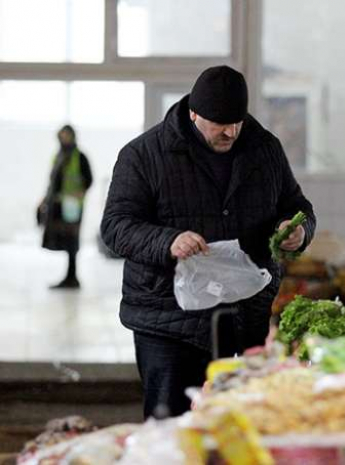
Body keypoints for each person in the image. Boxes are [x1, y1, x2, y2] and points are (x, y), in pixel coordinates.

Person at [100, 65, 316, 419]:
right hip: (169, 323)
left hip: (244, 319)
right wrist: (168, 241)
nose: (230, 132)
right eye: (219, 123)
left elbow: (296, 206)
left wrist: (299, 229)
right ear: (194, 113)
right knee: (171, 427)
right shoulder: (143, 155)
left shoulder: (264, 150)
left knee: (240, 429)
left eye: (237, 122)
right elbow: (115, 227)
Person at [38, 125, 93, 289]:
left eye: (66, 136)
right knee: (64, 240)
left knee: (72, 241)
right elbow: (53, 182)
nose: (64, 139)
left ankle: (72, 277)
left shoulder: (79, 157)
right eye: (61, 136)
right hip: (58, 205)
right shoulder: (59, 156)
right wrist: (44, 200)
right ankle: (69, 276)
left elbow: (89, 179)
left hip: (73, 206)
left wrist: (80, 193)